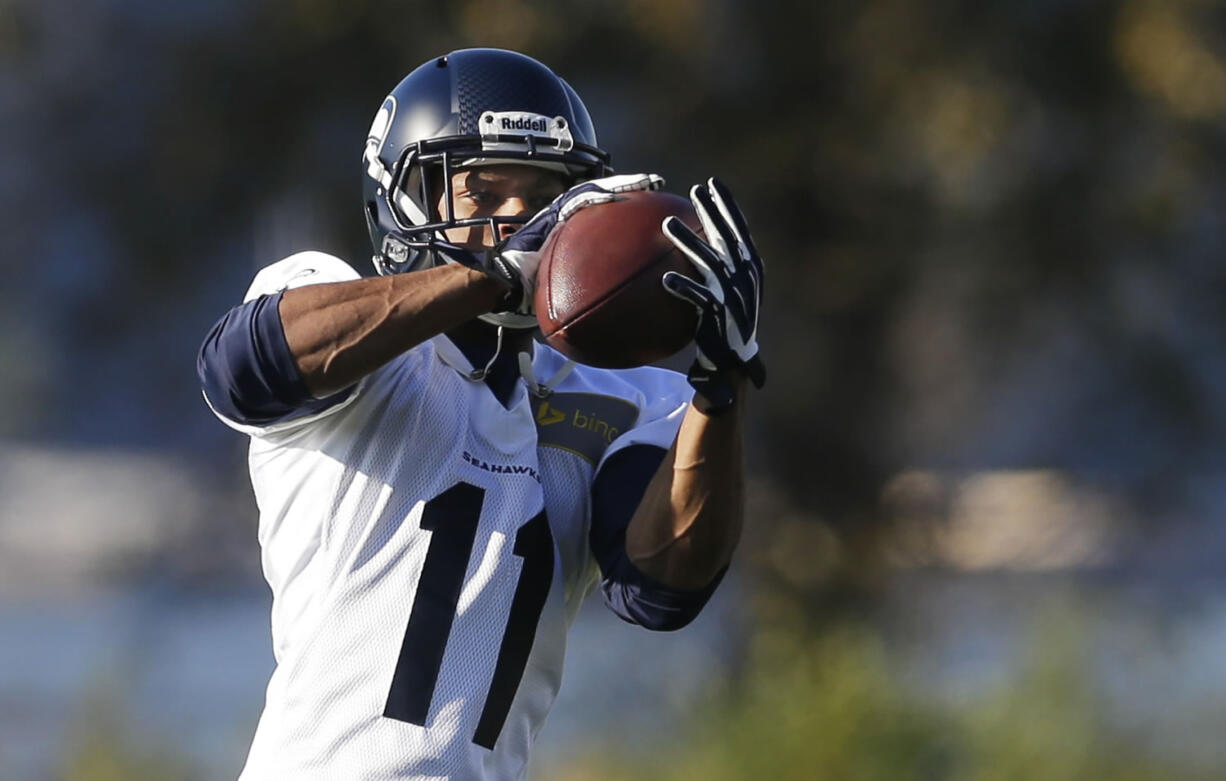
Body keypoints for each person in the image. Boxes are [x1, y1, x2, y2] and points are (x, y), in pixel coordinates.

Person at [197, 47, 764, 780]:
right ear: (402, 200)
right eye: (484, 193)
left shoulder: (628, 397)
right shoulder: (343, 317)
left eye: (543, 198)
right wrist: (494, 275)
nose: (519, 219)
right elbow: (243, 368)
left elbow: (663, 587)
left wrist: (720, 390)